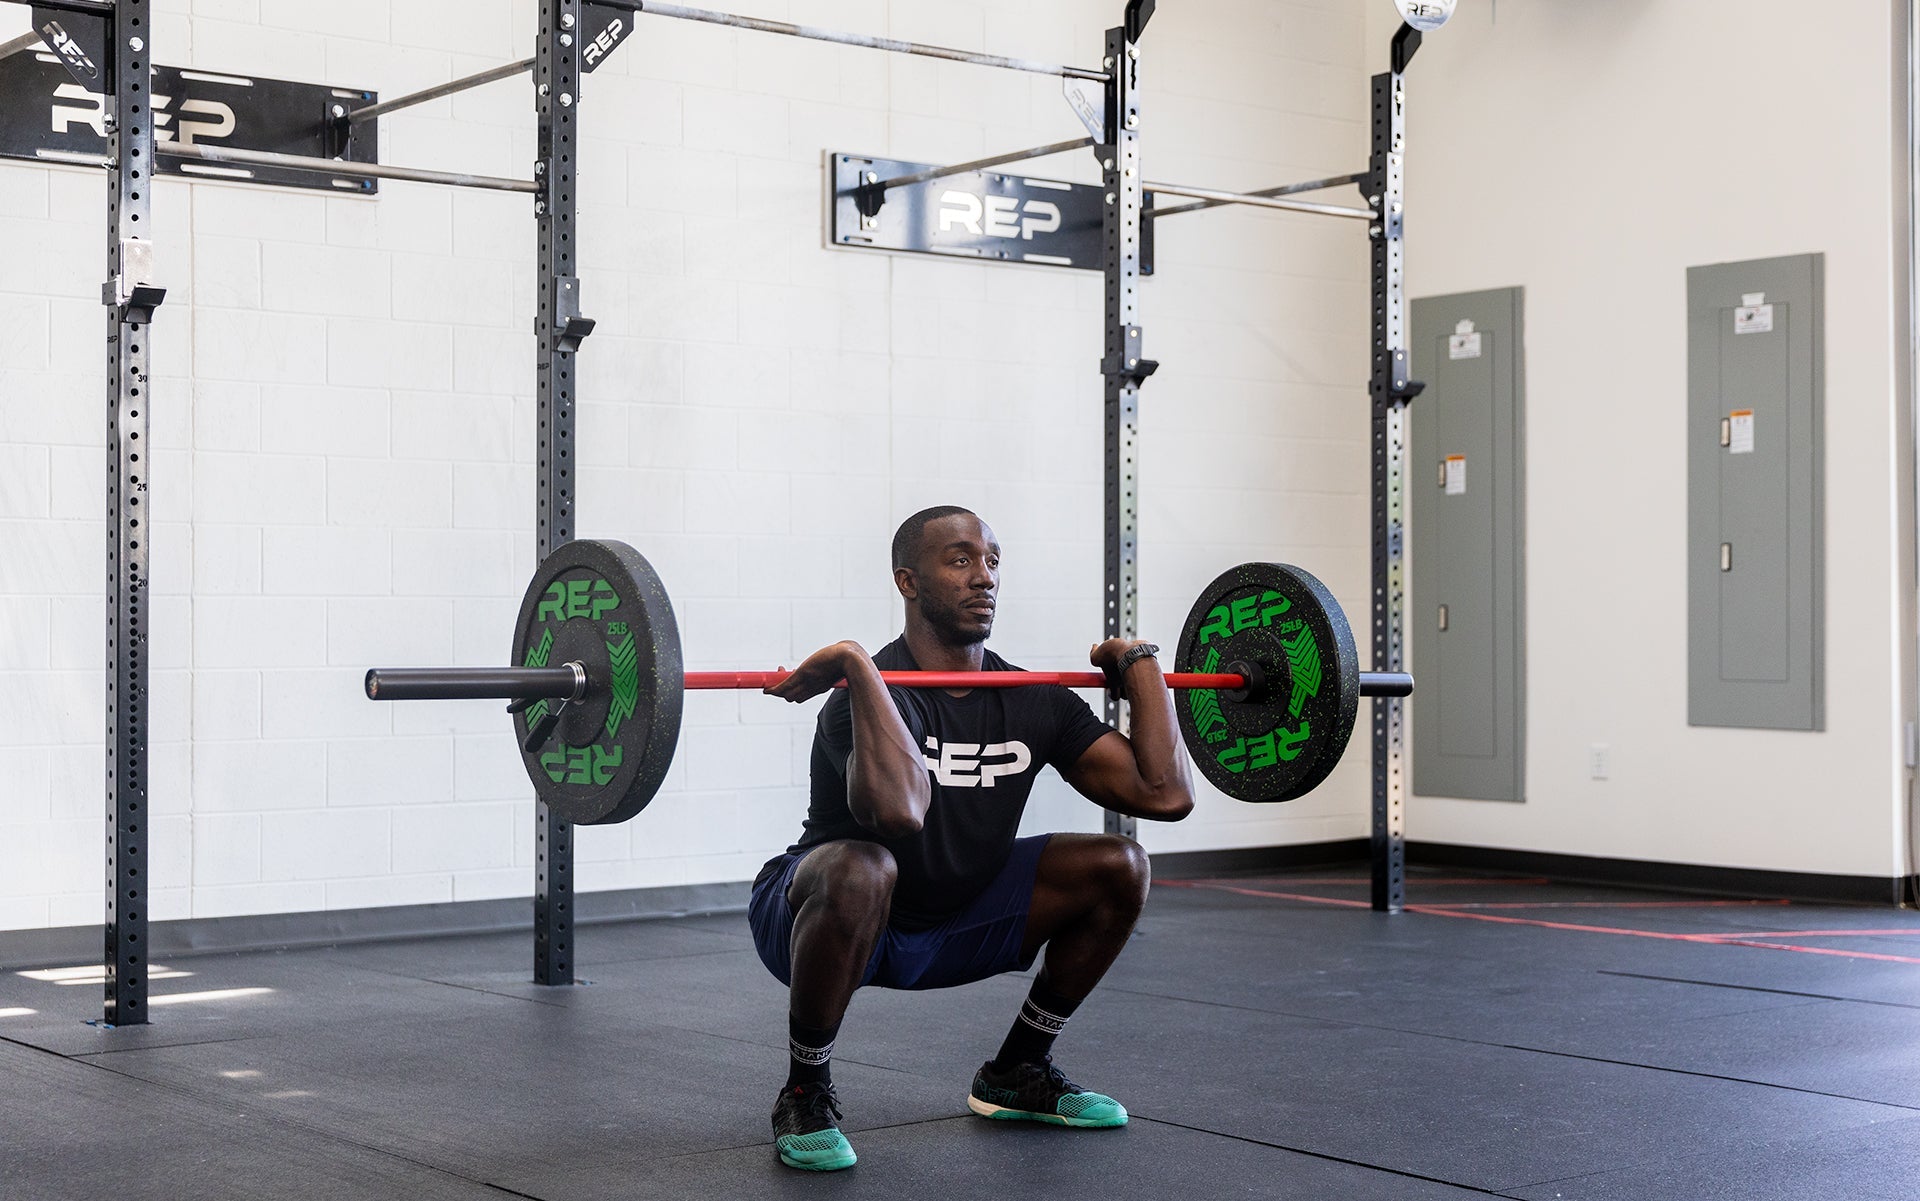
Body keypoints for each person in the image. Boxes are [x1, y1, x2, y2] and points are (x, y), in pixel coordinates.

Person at [750, 505, 1194, 1171]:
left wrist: (1139, 664)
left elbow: (1164, 793)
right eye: (959, 560)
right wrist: (855, 661)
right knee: (863, 867)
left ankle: (1018, 1068)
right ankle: (805, 1087)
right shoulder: (859, 697)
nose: (982, 577)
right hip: (827, 917)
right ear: (908, 581)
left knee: (1120, 864)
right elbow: (900, 813)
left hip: (960, 913)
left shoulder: (1029, 697)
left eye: (990, 561)